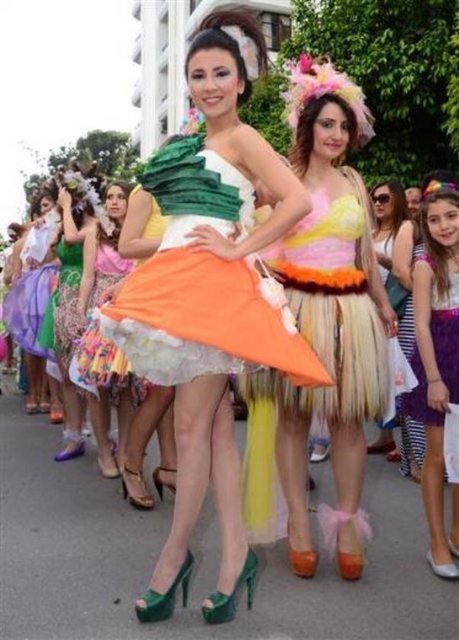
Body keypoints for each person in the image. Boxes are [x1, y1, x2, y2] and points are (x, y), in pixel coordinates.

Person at [100, 10, 331, 625]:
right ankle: (235, 556)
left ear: (241, 80)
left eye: (221, 73)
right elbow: (148, 229)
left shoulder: (244, 138)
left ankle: (174, 558)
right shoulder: (185, 145)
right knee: (214, 432)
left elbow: (297, 201)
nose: (209, 85)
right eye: (198, 75)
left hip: (214, 287)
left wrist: (238, 247)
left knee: (188, 428)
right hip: (179, 283)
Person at [242, 53, 397, 580]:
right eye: (327, 124)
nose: (336, 134)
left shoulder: (354, 180)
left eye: (343, 127)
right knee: (292, 418)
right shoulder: (280, 181)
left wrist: (382, 304)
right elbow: (261, 250)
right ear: (308, 127)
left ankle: (347, 524)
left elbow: (364, 255)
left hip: (350, 314)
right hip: (297, 312)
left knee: (349, 421)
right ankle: (298, 525)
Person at [403, 185, 459, 579]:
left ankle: (457, 532)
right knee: (437, 456)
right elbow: (421, 326)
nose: (444, 226)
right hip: (441, 360)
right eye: (434, 220)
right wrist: (434, 380)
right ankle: (436, 541)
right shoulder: (425, 264)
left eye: (451, 216)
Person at [38, 164, 99, 461]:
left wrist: (63, 209)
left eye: (73, 196)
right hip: (62, 295)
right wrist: (52, 235)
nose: (70, 201)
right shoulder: (64, 225)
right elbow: (48, 257)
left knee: (86, 372)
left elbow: (75, 240)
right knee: (66, 374)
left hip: (85, 296)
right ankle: (73, 435)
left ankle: (98, 434)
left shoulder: (95, 224)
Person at [76, 181, 136, 477]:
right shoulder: (95, 232)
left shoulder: (139, 232)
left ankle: (124, 450)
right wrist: (80, 310)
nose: (114, 202)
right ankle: (103, 450)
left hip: (133, 310)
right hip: (101, 310)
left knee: (127, 386)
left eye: (121, 196)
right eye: (110, 197)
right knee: (98, 384)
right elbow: (88, 276)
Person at [367, 180, 408, 460]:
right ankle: (385, 436)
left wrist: (377, 258)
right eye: (374, 198)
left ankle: (404, 445)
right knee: (379, 376)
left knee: (398, 374)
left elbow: (404, 269)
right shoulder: (370, 232)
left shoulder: (404, 230)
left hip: (395, 308)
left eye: (384, 198)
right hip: (368, 310)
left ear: (397, 200)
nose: (378, 203)